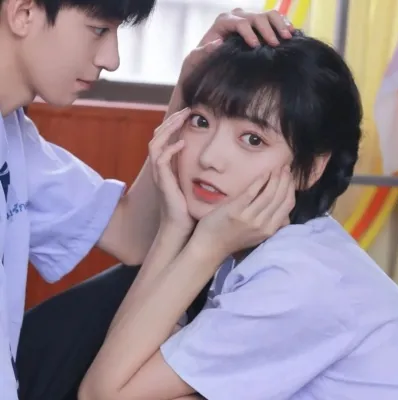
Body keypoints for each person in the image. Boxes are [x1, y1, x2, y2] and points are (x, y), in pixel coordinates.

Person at [79, 31, 398, 400]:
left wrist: (205, 246)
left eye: (252, 140)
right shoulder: (257, 246)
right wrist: (173, 226)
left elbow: (101, 395)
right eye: (200, 121)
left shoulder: (296, 278)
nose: (209, 158)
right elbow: (125, 362)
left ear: (311, 168)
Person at [0, 0, 293, 399]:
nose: (112, 59)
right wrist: (206, 248)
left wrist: (191, 79)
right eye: (99, 30)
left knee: (162, 283)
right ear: (23, 13)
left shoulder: (14, 134)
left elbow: (130, 236)